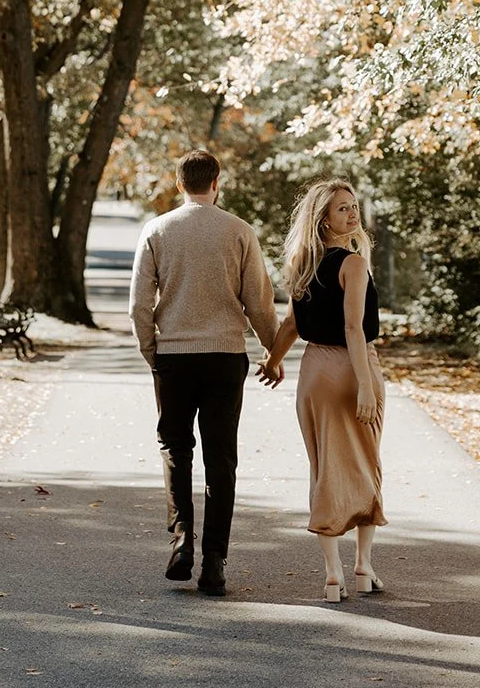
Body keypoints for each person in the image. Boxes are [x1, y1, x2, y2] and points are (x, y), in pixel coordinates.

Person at [129, 148, 280, 597]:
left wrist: (151, 351)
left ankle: (180, 541)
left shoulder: (157, 230)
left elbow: (139, 305)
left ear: (179, 184)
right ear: (218, 182)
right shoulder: (239, 232)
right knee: (221, 457)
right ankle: (215, 560)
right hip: (224, 357)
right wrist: (273, 352)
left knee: (175, 448)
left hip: (173, 358)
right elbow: (259, 303)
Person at [258, 179, 386, 602]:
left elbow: (292, 326)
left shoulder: (301, 265)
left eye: (353, 207)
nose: (352, 215)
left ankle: (334, 575)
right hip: (352, 368)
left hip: (314, 371)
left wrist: (273, 362)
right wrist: (365, 386)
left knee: (324, 467)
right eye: (342, 210)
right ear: (323, 221)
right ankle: (363, 567)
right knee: (366, 464)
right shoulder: (352, 264)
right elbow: (353, 328)